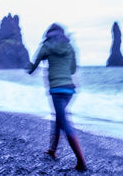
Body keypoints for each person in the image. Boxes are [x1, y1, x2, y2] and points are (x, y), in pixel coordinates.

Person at [26, 23, 87, 171]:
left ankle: (81, 162)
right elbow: (72, 70)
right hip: (70, 89)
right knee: (59, 119)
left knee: (64, 123)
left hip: (56, 89)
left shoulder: (46, 46)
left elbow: (32, 69)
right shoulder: (69, 47)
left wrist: (28, 65)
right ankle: (52, 150)